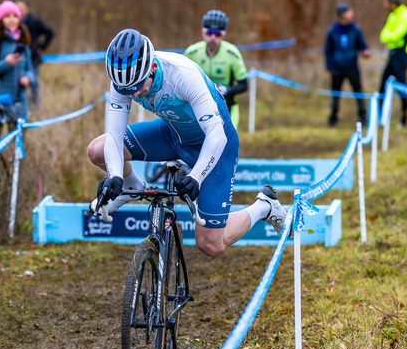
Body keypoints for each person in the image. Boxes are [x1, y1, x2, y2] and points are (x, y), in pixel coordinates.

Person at [87, 29, 286, 258]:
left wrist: (196, 176)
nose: (132, 95)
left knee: (210, 244)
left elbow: (216, 134)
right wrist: (115, 177)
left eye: (137, 87)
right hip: (172, 133)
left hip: (215, 146)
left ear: (152, 68)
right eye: (125, 89)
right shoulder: (124, 79)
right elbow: (114, 136)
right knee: (97, 150)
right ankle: (133, 188)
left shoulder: (182, 74)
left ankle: (263, 207)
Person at [184, 9, 247, 130]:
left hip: (227, 107)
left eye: (217, 34)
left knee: (226, 145)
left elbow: (244, 85)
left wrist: (227, 90)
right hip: (198, 107)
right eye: (209, 33)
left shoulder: (232, 53)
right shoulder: (192, 52)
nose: (213, 37)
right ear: (202, 32)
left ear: (224, 34)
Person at [0, 0, 36, 122]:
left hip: (19, 105)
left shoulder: (23, 43)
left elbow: (30, 69)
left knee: (18, 140)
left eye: (15, 16)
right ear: (0, 20)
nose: (12, 19)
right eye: (7, 16)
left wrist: (27, 78)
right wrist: (5, 64)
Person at [324, 3, 371, 127]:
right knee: (335, 95)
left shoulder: (355, 30)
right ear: (343, 14)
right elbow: (328, 51)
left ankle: (363, 117)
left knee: (358, 92)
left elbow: (363, 46)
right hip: (337, 68)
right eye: (350, 12)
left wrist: (365, 52)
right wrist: (329, 66)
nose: (352, 14)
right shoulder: (333, 31)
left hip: (352, 67)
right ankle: (333, 118)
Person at [379, 0, 407, 128]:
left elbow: (396, 35)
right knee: (382, 84)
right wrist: (389, 37)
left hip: (402, 54)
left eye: (386, 2)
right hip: (392, 53)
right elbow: (383, 35)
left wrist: (389, 37)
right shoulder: (392, 16)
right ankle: (380, 118)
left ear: (392, 3)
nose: (384, 5)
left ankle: (404, 120)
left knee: (402, 86)